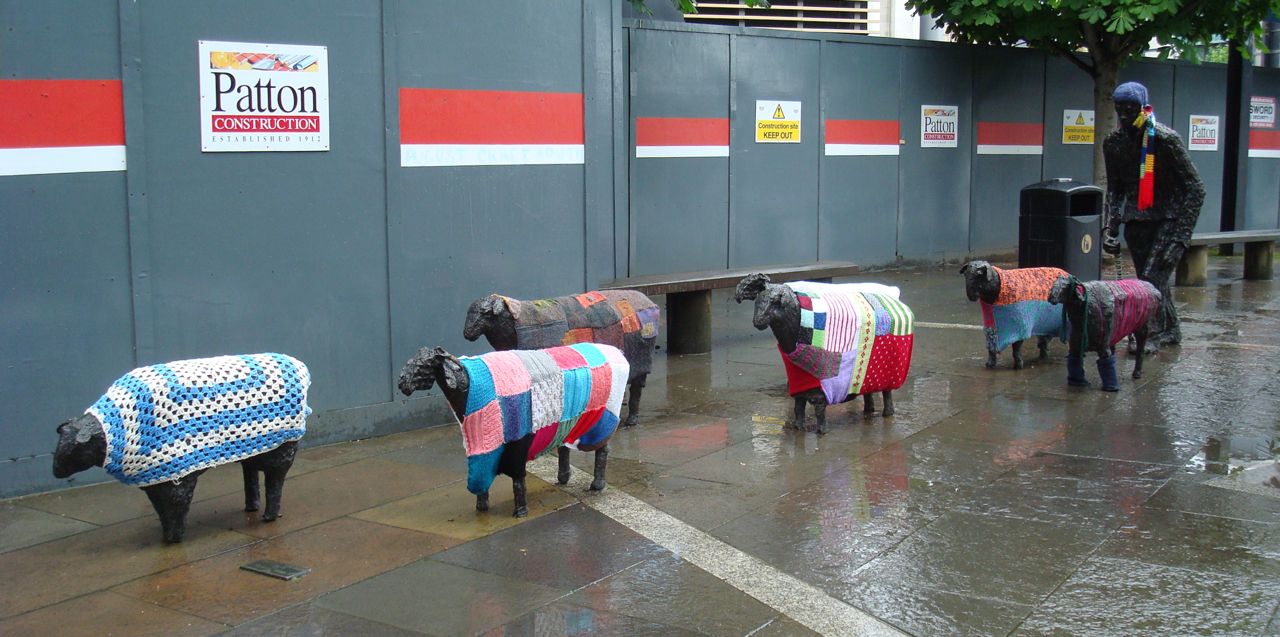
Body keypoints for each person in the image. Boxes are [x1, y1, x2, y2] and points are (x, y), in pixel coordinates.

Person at [1101, 81, 1205, 351]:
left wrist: (1181, 238)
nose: (1124, 113)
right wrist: (1110, 229)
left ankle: (1152, 335)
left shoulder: (1164, 139)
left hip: (1168, 220)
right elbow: (1115, 190)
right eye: (1119, 107)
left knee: (1150, 280)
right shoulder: (1113, 143)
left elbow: (1195, 189)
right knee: (1154, 280)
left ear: (1143, 107)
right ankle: (1171, 329)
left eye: (1130, 108)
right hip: (1136, 222)